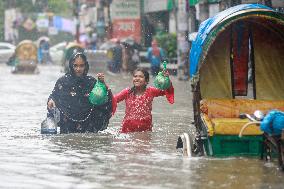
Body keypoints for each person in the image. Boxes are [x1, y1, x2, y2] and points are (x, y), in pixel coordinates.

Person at [47, 52, 114, 133]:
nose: (78, 69)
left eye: (81, 66)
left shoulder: (91, 82)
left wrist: (101, 84)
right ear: (71, 65)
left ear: (85, 66)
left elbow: (103, 100)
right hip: (67, 125)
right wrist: (51, 100)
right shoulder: (63, 82)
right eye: (75, 65)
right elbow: (54, 95)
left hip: (88, 125)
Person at [114, 68, 174, 133]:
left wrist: (167, 80)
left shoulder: (151, 91)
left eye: (141, 77)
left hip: (145, 130)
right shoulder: (127, 92)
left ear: (146, 81)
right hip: (127, 129)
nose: (137, 78)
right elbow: (113, 100)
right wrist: (103, 85)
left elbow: (166, 90)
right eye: (135, 76)